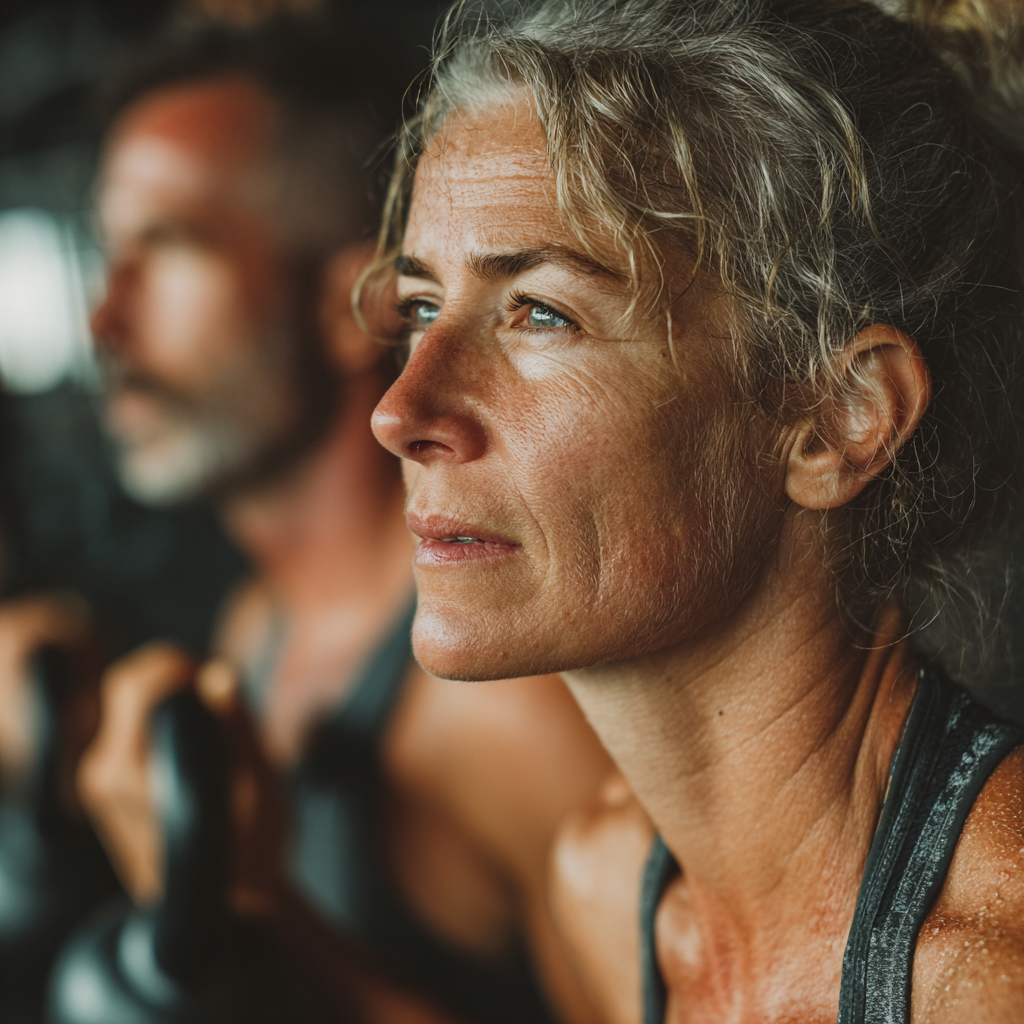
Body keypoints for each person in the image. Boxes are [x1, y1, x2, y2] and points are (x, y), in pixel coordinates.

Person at [367, 0, 1024, 1020]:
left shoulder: (991, 972)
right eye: (419, 308)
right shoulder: (603, 886)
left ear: (834, 419)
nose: (400, 411)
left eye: (540, 312)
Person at [76, 17, 612, 1024]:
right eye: (108, 255)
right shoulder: (256, 626)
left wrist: (258, 918)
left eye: (168, 246)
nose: (105, 321)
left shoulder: (498, 705)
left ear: (349, 304)